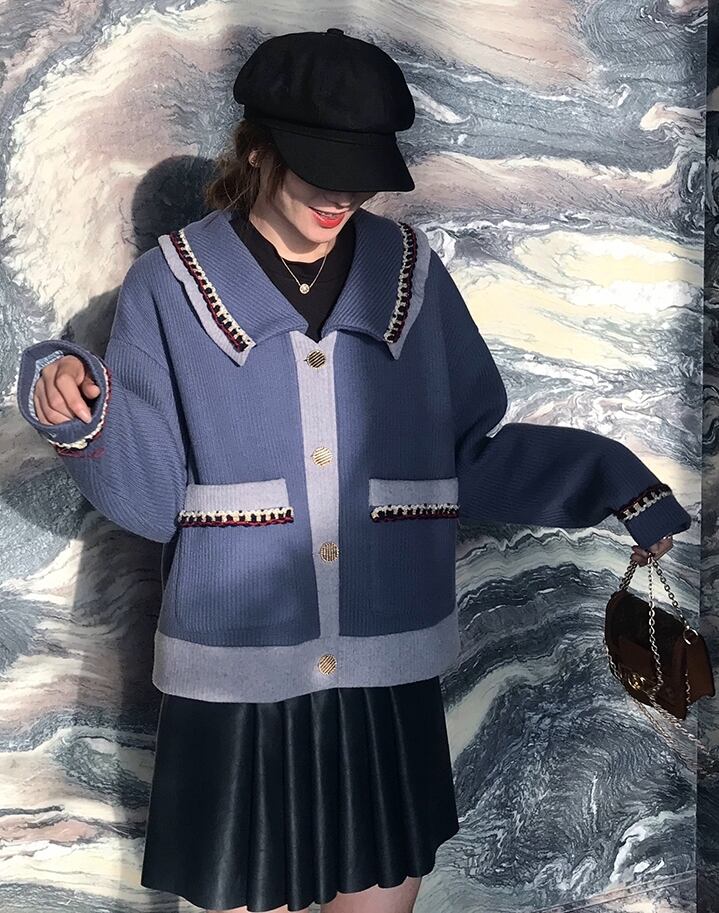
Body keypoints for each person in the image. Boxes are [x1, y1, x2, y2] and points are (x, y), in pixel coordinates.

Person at [15, 28, 690, 913]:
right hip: (236, 683)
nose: (342, 193)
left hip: (383, 677)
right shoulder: (169, 284)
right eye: (320, 167)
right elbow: (148, 501)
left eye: (361, 172)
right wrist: (81, 414)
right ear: (256, 149)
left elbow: (465, 453)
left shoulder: (409, 272)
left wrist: (614, 479)